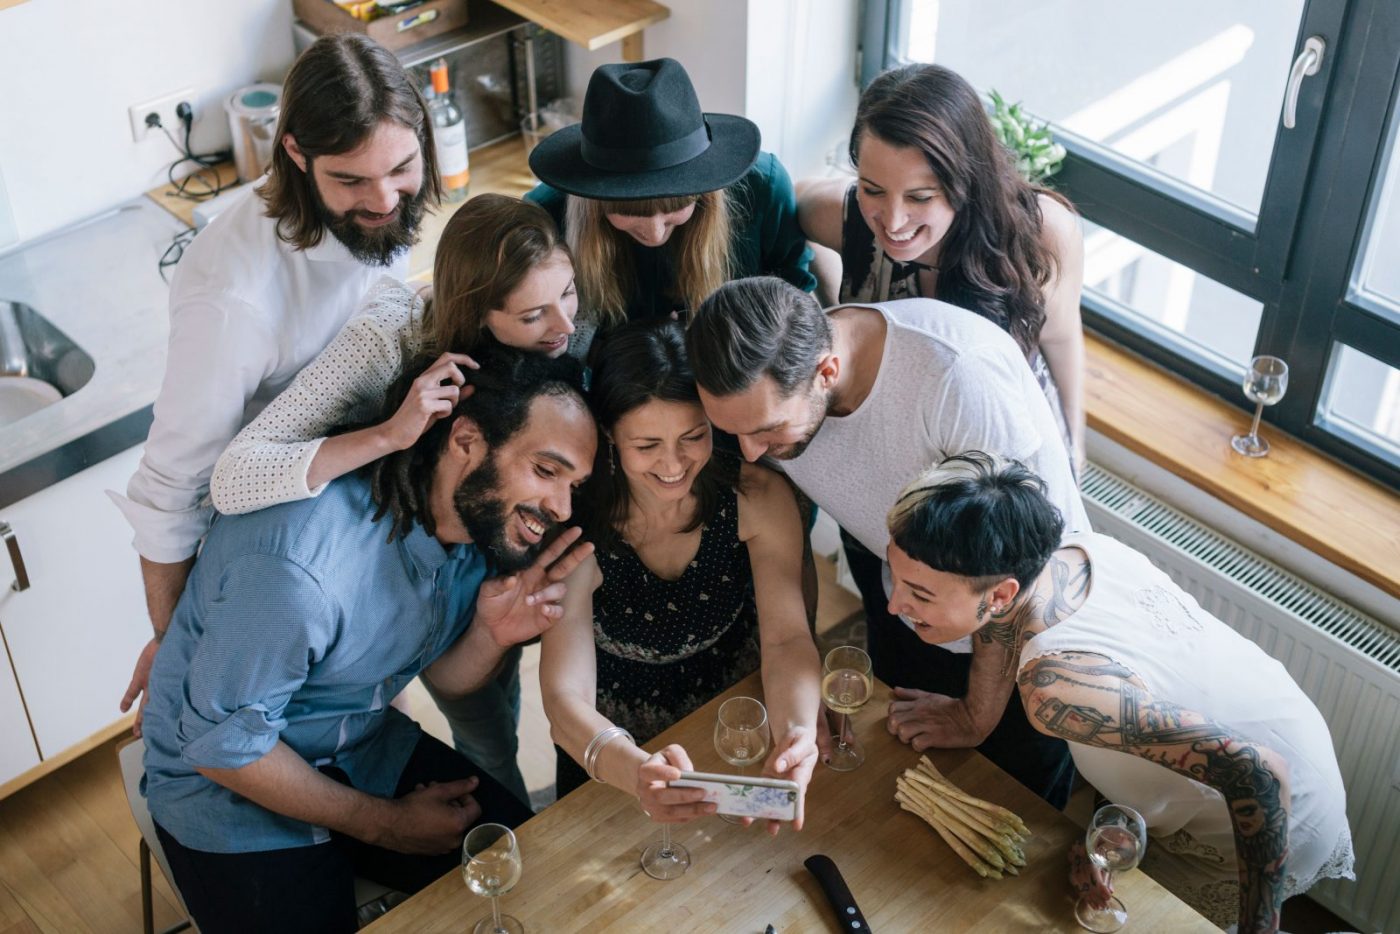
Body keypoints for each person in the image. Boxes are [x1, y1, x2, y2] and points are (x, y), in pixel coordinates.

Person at [141, 348, 597, 933]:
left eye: (573, 485)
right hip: (227, 790)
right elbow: (220, 746)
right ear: (465, 441)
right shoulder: (303, 569)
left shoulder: (474, 534)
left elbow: (448, 678)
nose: (559, 507)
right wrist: (386, 824)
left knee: (535, 865)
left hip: (357, 743)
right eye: (545, 470)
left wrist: (489, 633)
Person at [204, 193, 582, 805]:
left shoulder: (561, 333)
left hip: (495, 544)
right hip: (401, 558)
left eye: (567, 292)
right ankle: (508, 814)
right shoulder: (387, 336)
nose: (565, 326)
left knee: (500, 687)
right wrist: (388, 434)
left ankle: (516, 811)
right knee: (480, 723)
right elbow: (234, 477)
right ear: (475, 312)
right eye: (533, 314)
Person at [112, 34, 441, 731]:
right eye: (351, 182)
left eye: (403, 169)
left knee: (384, 717)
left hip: (361, 510)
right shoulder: (233, 299)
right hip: (273, 550)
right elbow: (171, 495)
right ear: (295, 154)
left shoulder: (381, 199)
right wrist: (178, 646)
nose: (385, 200)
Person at [884, 452, 1354, 931]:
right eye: (896, 576)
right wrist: (973, 717)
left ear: (1002, 593)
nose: (894, 603)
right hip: (1292, 728)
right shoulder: (1074, 552)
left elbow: (1259, 777)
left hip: (1271, 815)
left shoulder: (1057, 690)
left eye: (920, 594)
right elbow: (1138, 726)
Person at [686, 276, 1087, 807]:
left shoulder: (955, 376)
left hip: (1025, 627)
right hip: (906, 604)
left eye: (767, 430)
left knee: (1020, 805)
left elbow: (1008, 570)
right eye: (733, 431)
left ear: (826, 372)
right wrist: (798, 690)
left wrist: (976, 713)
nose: (752, 453)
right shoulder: (774, 398)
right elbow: (788, 550)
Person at [539, 319, 821, 833]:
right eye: (646, 445)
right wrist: (636, 771)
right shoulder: (578, 524)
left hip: (735, 726)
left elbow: (786, 639)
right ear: (609, 438)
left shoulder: (757, 498)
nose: (673, 464)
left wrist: (799, 730)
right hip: (611, 747)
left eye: (693, 436)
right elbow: (564, 701)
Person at [798, 62, 1085, 470]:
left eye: (920, 197)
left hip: (1003, 462)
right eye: (873, 190)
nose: (893, 222)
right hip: (891, 462)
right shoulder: (847, 218)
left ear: (965, 180)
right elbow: (790, 201)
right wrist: (832, 308)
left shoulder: (1041, 234)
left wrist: (1074, 453)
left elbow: (1061, 339)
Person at [525, 57, 814, 328]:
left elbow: (794, 296)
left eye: (677, 206)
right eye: (628, 210)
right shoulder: (544, 215)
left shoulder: (764, 188)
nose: (653, 233)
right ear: (593, 199)